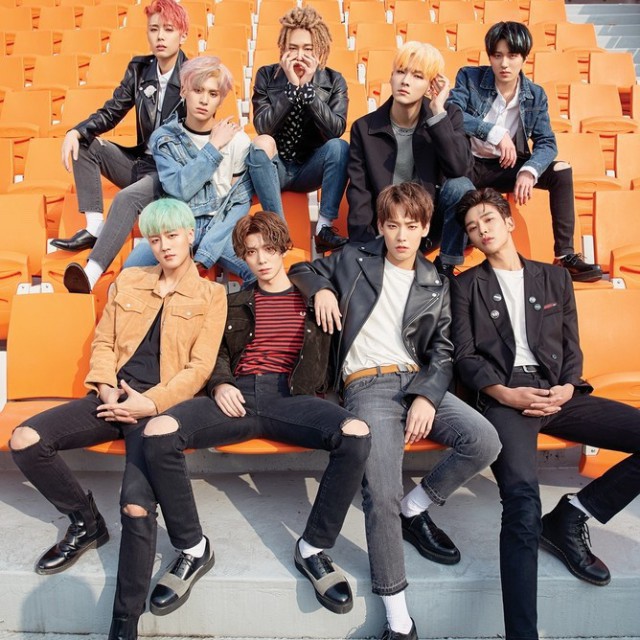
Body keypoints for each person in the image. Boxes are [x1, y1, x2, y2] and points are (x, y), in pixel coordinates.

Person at [289, 182, 501, 640]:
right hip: (367, 386)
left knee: (484, 440)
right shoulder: (353, 258)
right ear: (381, 227)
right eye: (392, 225)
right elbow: (301, 267)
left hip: (416, 382)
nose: (401, 235)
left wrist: (426, 395)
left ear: (425, 228)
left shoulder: (435, 282)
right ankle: (400, 622)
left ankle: (415, 507)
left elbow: (442, 351)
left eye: (411, 225)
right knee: (379, 493)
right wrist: (321, 290)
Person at [10, 198, 227, 640]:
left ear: (190, 235)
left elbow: (198, 370)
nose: (165, 246)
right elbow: (104, 344)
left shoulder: (213, 295)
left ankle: (123, 625)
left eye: (172, 235)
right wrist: (107, 388)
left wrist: (148, 404)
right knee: (25, 439)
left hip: (156, 409)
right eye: (155, 238)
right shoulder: (129, 280)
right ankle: (86, 522)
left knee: (135, 506)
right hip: (112, 398)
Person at [140, 211, 371, 619]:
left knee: (355, 433)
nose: (261, 259)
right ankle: (193, 548)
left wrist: (321, 289)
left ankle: (313, 548)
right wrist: (220, 384)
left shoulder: (313, 296)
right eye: (250, 252)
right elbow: (213, 353)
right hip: (238, 395)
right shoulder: (231, 301)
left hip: (292, 396)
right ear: (242, 257)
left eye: (268, 249)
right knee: (158, 432)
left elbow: (343, 269)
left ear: (283, 248)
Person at [449, 188, 640, 640]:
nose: (481, 230)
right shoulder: (465, 285)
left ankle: (572, 514)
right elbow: (464, 357)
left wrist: (567, 388)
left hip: (557, 392)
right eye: (472, 228)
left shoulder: (553, 278)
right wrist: (504, 393)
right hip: (504, 398)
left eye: (488, 220)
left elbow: (572, 347)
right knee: (521, 502)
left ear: (508, 221)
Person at [439, 21, 602, 282]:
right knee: (459, 187)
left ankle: (565, 255)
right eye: (497, 55)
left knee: (561, 170)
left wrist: (530, 170)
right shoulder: (469, 78)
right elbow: (453, 113)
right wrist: (494, 132)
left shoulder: (535, 95)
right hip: (468, 163)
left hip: (507, 165)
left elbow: (547, 142)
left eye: (512, 56)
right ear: (490, 57)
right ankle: (447, 264)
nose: (504, 64)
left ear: (524, 58)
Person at [58, 0, 190, 294]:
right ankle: (94, 226)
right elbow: (112, 111)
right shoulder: (140, 69)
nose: (160, 36)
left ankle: (90, 275)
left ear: (183, 35)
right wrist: (76, 131)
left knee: (125, 198)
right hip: (140, 162)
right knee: (85, 143)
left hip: (169, 173)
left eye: (168, 29)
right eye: (153, 29)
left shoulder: (192, 74)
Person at [123, 56, 281, 283]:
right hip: (178, 224)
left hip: (222, 227)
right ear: (183, 91)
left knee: (263, 272)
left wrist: (209, 248)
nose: (204, 100)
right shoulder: (165, 138)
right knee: (128, 273)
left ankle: (232, 308)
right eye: (197, 90)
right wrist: (213, 147)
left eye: (213, 94)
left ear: (221, 99)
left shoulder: (237, 140)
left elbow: (238, 202)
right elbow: (180, 189)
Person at [346, 42, 473, 245]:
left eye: (417, 76)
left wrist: (438, 114)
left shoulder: (448, 116)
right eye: (400, 72)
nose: (405, 81)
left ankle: (448, 262)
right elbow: (360, 193)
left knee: (460, 186)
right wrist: (363, 246)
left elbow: (459, 169)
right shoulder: (364, 128)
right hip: (388, 230)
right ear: (391, 77)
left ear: (431, 85)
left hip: (430, 230)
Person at [248, 6, 350, 253]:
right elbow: (263, 126)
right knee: (261, 143)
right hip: (275, 167)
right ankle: (278, 231)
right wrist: (291, 90)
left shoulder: (334, 80)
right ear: (283, 48)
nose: (299, 56)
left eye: (308, 49)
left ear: (319, 50)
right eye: (293, 48)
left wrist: (308, 92)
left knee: (340, 146)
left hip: (309, 167)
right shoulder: (266, 76)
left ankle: (324, 229)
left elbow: (335, 130)